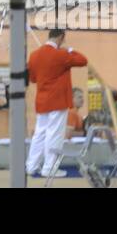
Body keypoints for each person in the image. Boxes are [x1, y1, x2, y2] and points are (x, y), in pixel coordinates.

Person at [26, 28, 89, 177]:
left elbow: (33, 78)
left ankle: (31, 165)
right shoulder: (61, 55)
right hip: (58, 101)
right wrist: (70, 50)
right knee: (54, 135)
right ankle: (49, 168)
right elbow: (83, 60)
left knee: (40, 134)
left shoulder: (34, 55)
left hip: (41, 101)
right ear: (61, 37)